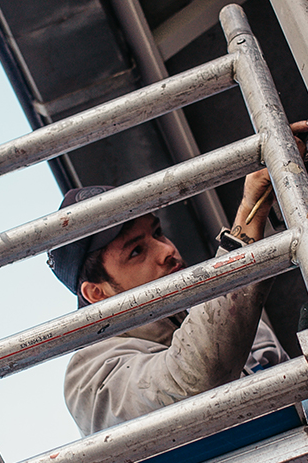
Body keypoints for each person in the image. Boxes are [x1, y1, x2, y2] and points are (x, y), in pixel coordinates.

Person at [48, 165, 294, 435]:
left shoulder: (238, 323)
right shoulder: (89, 377)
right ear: (97, 293)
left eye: (157, 233)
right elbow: (192, 381)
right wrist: (251, 213)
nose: (167, 250)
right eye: (136, 251)